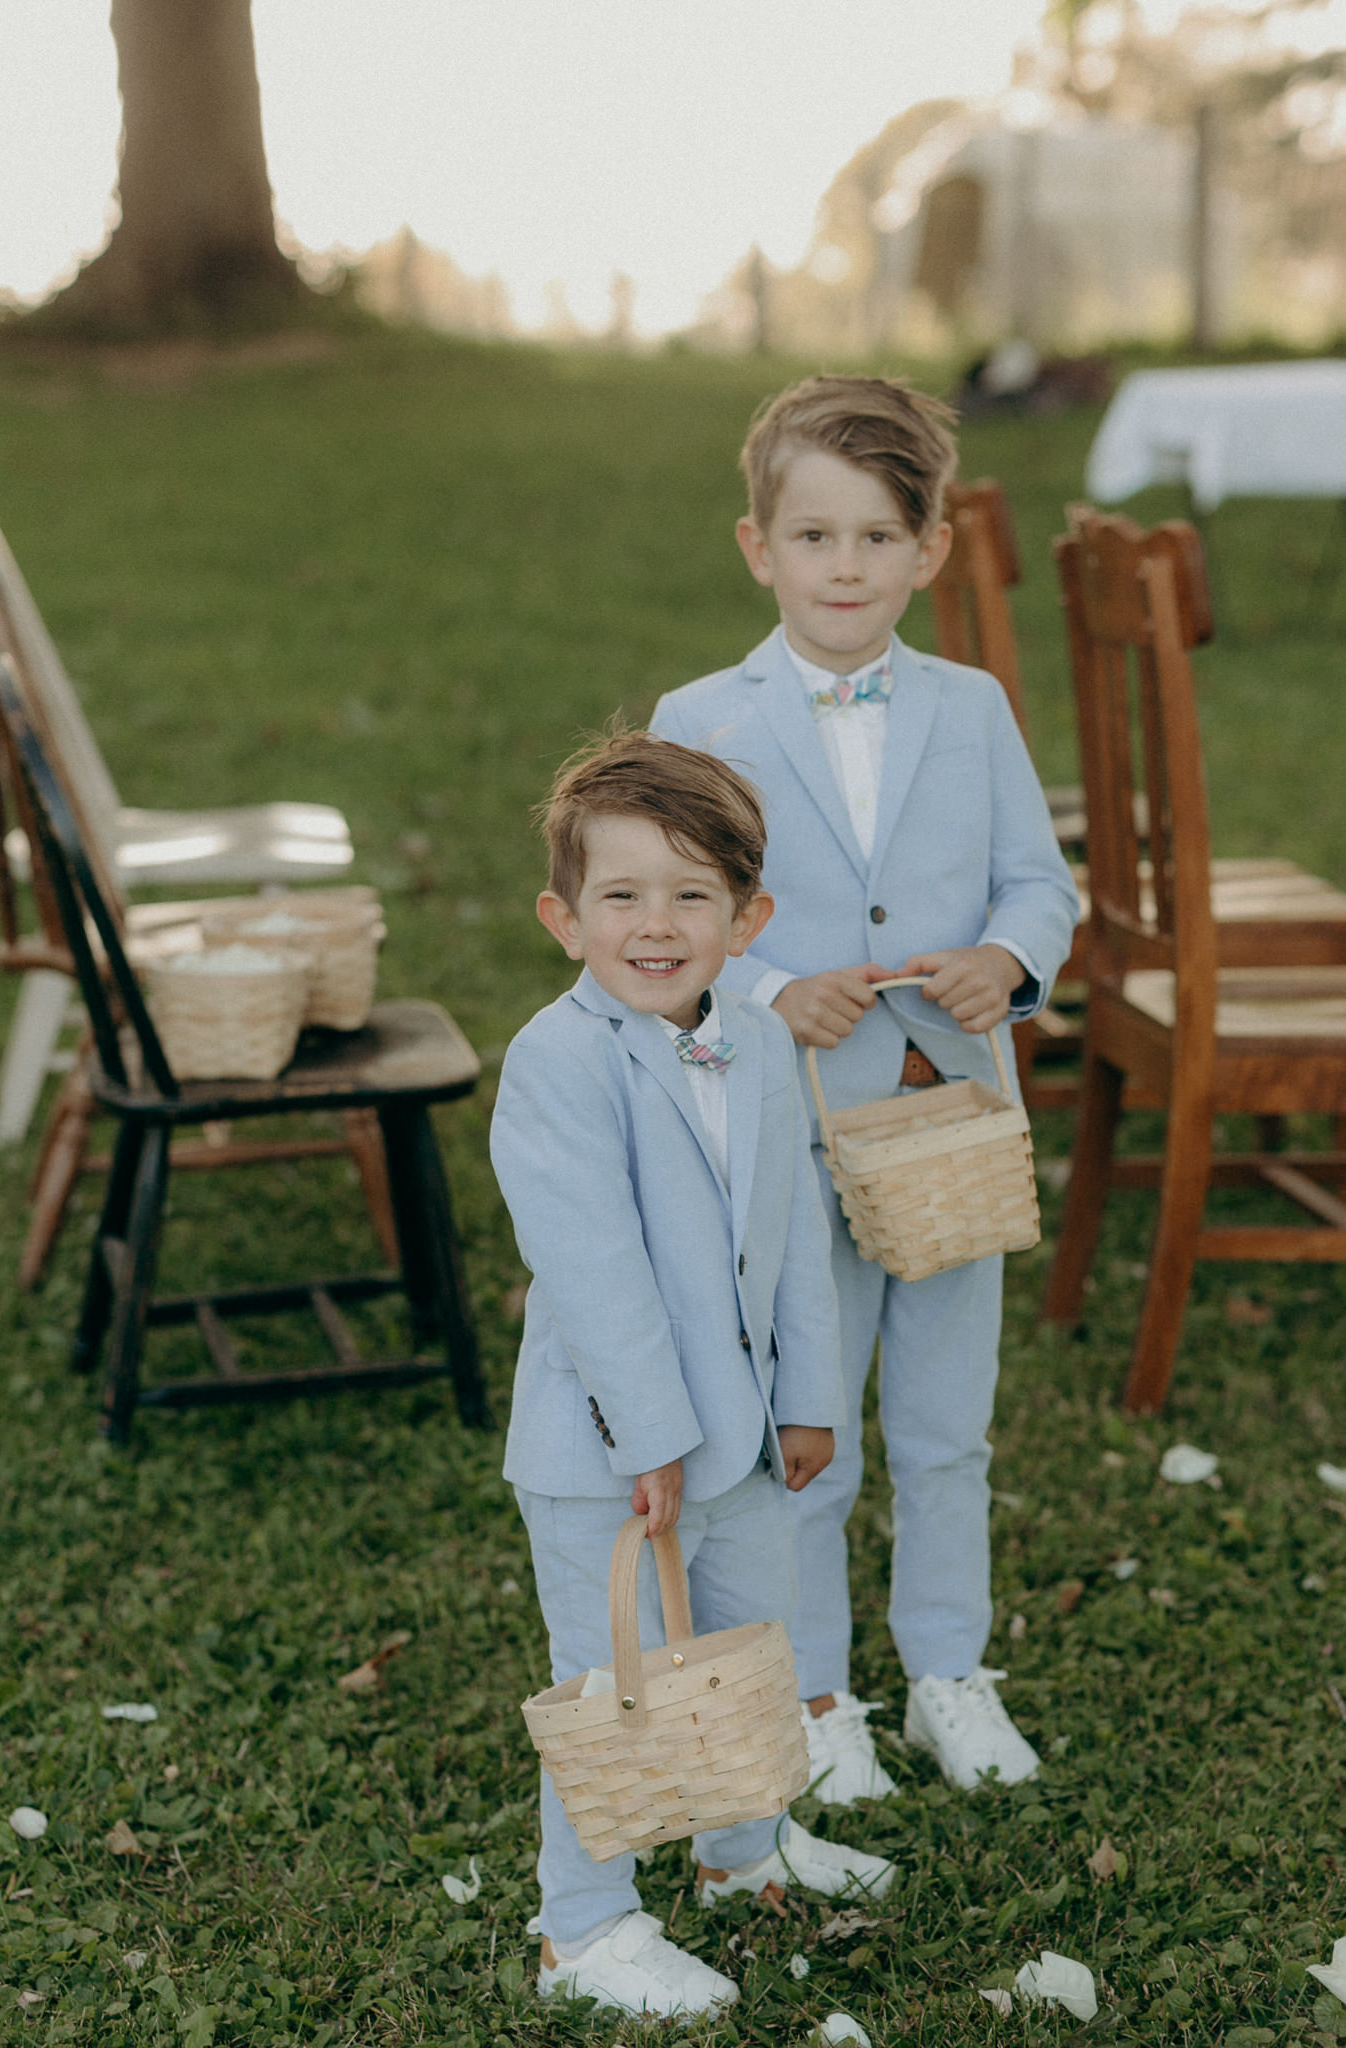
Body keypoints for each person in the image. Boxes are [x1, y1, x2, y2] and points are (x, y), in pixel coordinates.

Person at [651, 374, 1080, 1803]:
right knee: (808, 1432)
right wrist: (774, 990)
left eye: (878, 539)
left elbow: (1039, 880)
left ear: (928, 552)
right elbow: (677, 923)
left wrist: (1007, 963)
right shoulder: (702, 717)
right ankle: (823, 1696)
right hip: (795, 1132)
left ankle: (947, 1674)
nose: (846, 569)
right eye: (815, 537)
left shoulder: (968, 708)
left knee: (948, 1422)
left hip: (950, 1127)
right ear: (757, 546)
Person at [491, 730, 895, 2023]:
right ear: (564, 918)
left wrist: (811, 1399)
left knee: (740, 1655)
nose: (654, 926)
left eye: (689, 896)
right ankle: (587, 1924)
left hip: (751, 1441)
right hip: (609, 1451)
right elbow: (596, 1274)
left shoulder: (762, 1049)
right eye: (620, 896)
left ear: (746, 917)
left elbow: (788, 1242)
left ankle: (739, 1854)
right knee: (613, 1685)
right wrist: (647, 1441)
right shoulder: (557, 1064)